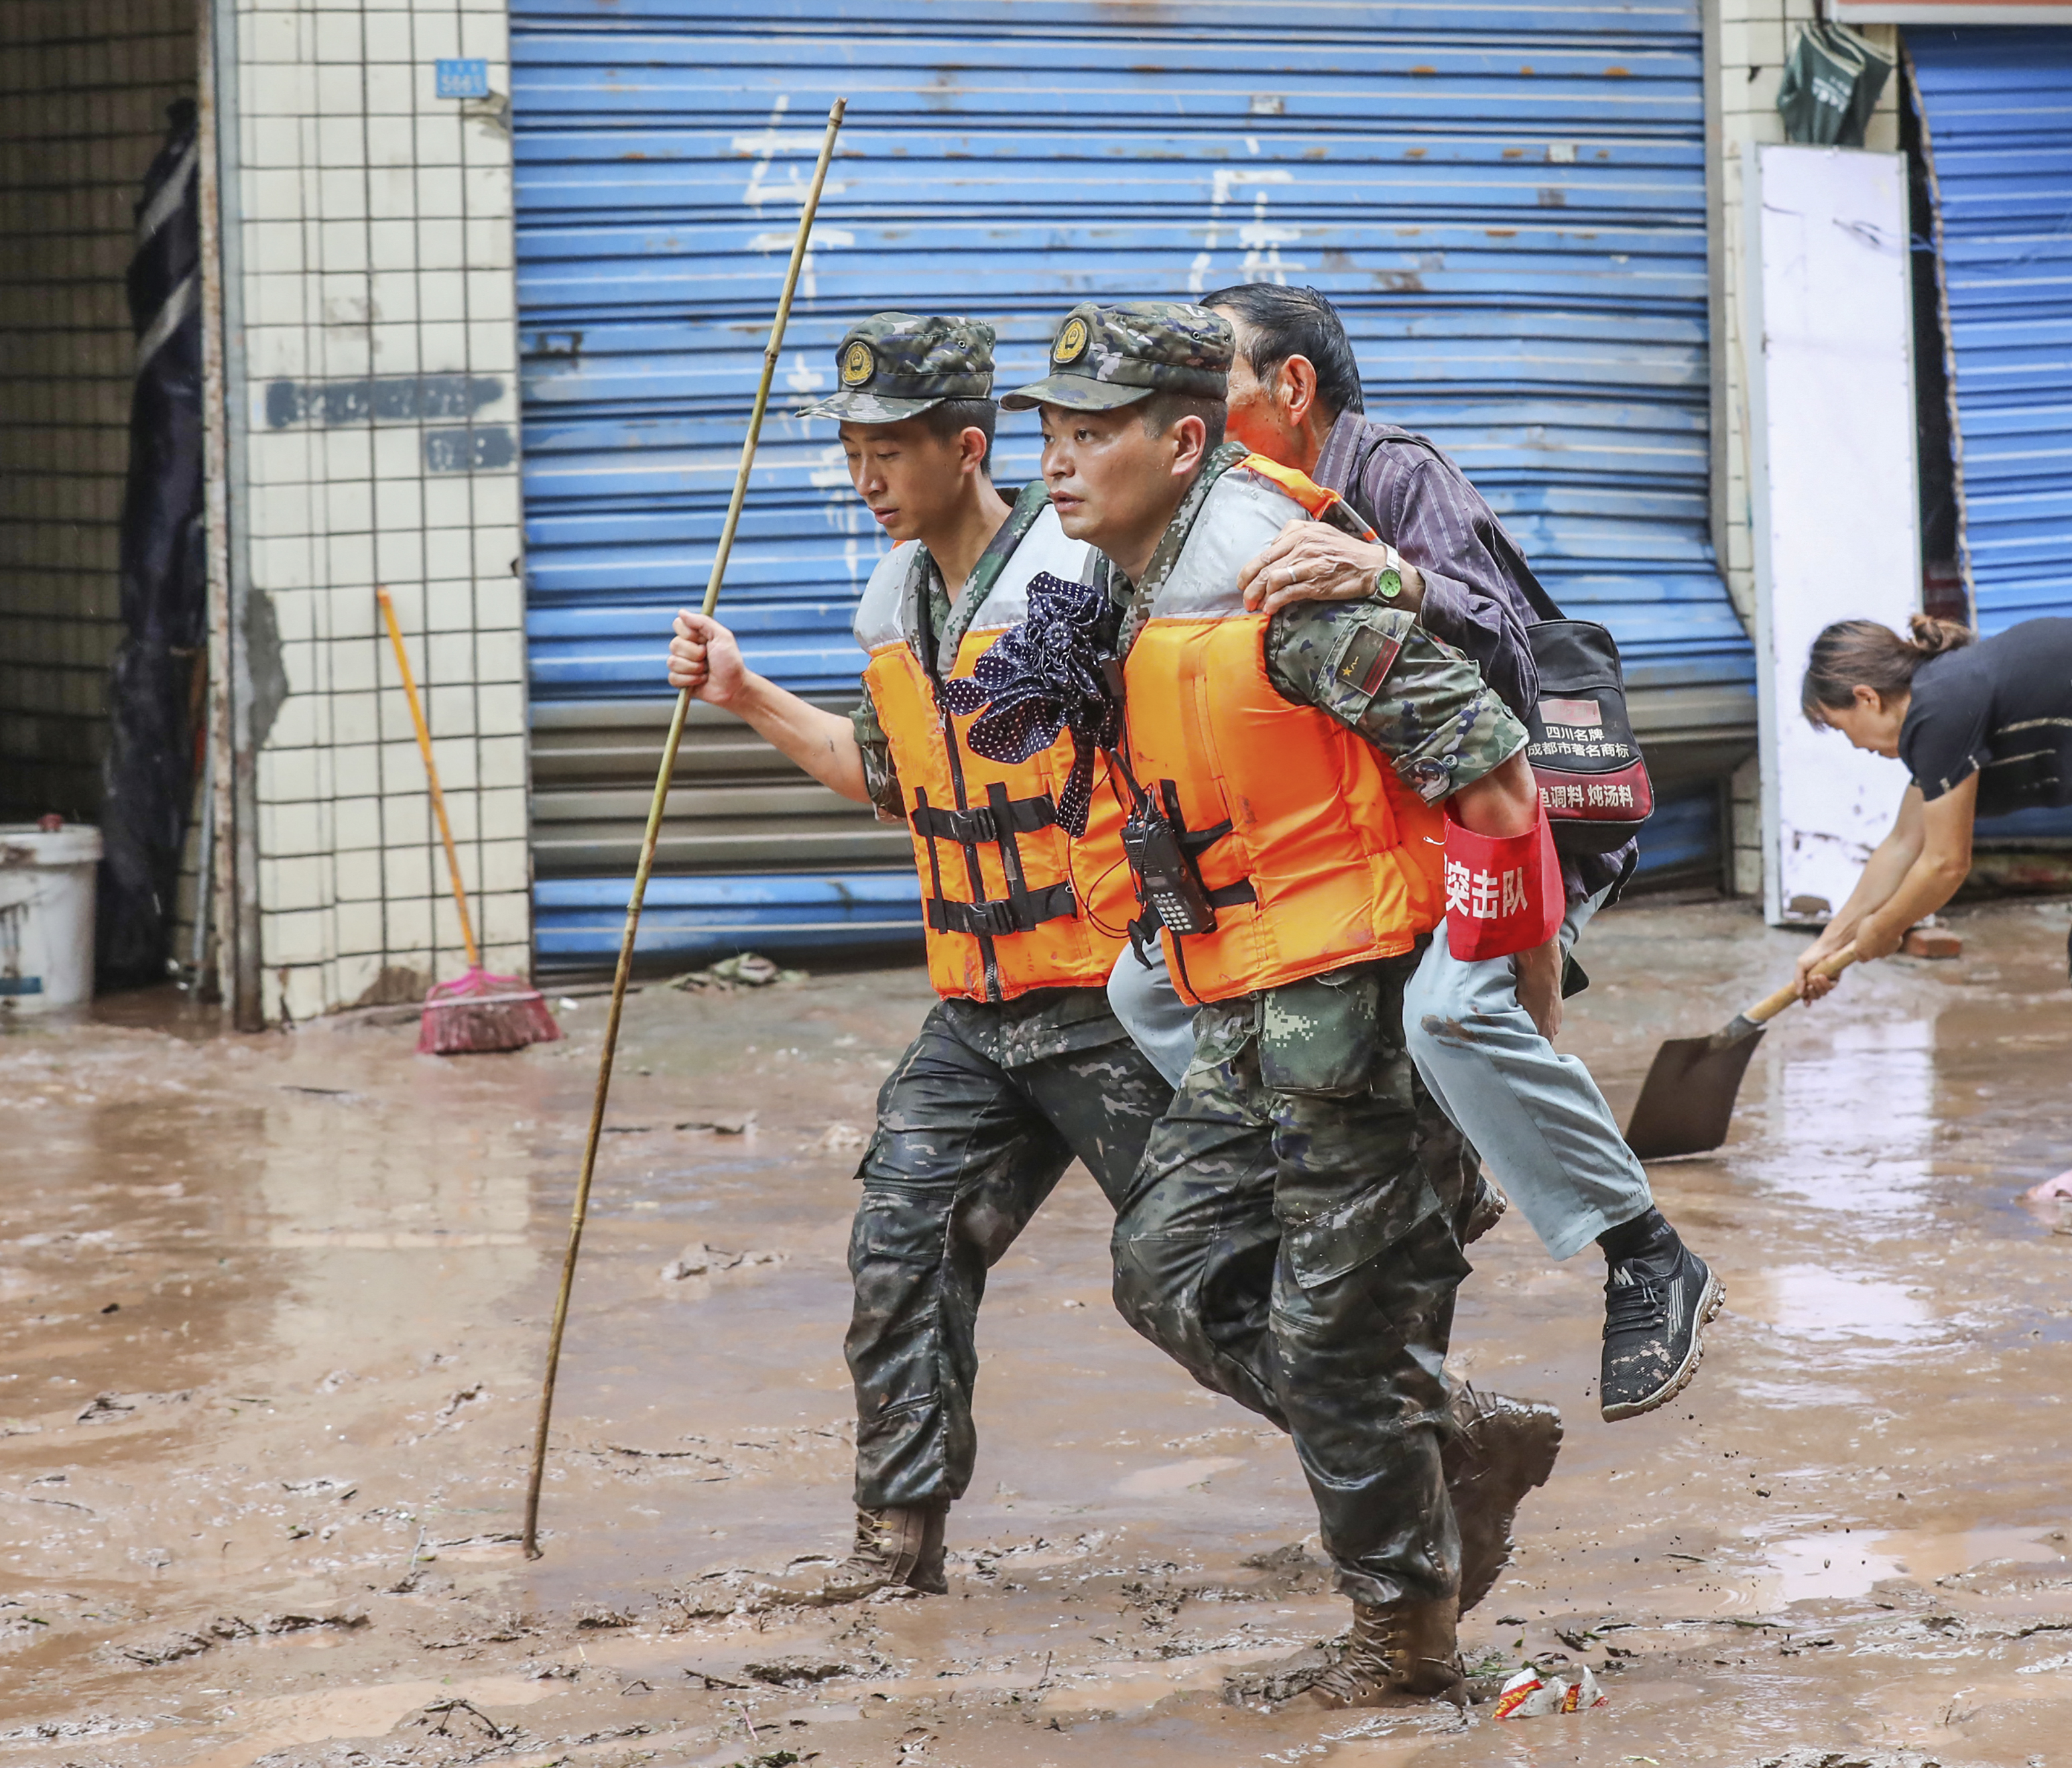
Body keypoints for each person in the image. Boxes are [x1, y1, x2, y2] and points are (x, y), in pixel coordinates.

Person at [995, 299, 1562, 1708]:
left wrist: (1511, 1044)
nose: (1058, 466)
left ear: (1185, 442)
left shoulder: (1277, 595)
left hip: (1364, 1012)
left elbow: (1497, 780)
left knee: (1333, 1335)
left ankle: (1406, 1641)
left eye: (1091, 436)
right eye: (1050, 437)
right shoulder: (1127, 598)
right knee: (1165, 1269)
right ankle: (1447, 1432)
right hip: (1243, 1007)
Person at [1103, 283, 1720, 1422]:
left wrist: (1380, 572)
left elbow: (1495, 634)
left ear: (1288, 387)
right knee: (1141, 982)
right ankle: (1371, 1165)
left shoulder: (1389, 473)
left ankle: (1644, 1254)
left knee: (1451, 1013)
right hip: (1374, 838)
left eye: (1213, 380)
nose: (1181, 410)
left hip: (1509, 809)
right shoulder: (1203, 510)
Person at [664, 313, 1176, 1600]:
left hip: (1112, 999)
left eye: (890, 449)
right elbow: (890, 782)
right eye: (852, 452)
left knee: (1203, 1279)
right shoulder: (897, 603)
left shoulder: (1084, 577)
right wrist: (744, 693)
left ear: (967, 447)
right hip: (978, 1005)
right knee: (900, 1240)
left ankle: (1429, 1445)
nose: (866, 477)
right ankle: (894, 1549)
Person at [1793, 613, 2072, 1237]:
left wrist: (1883, 930)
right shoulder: (1941, 705)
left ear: (1866, 697)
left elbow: (1944, 865)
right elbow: (1903, 843)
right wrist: (1831, 940)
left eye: (1844, 728)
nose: (1855, 746)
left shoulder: (1939, 704)